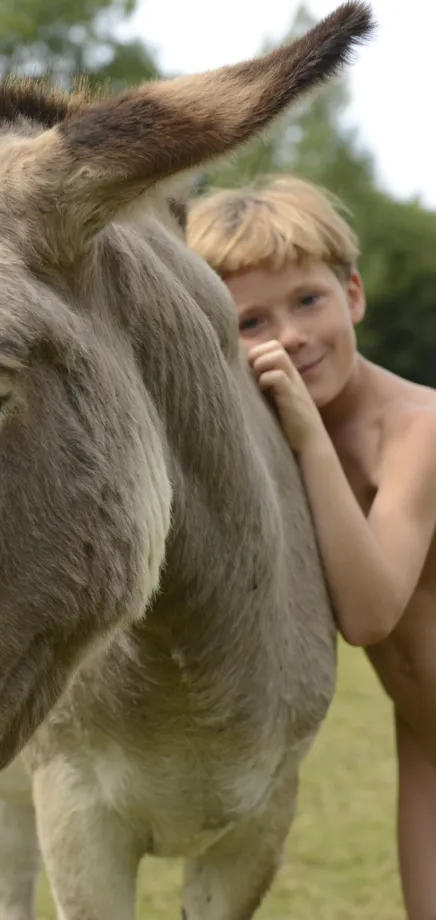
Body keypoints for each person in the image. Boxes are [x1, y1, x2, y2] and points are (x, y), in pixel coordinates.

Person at [186, 174, 436, 919]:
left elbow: (369, 615)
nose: (290, 336)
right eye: (251, 322)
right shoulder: (268, 445)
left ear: (353, 294)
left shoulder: (419, 432)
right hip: (424, 741)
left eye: (307, 301)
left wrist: (304, 434)